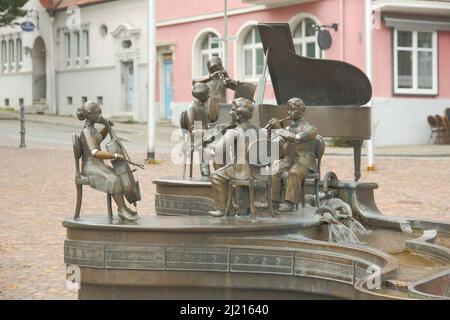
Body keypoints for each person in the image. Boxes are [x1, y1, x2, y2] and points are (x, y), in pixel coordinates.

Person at [77, 101, 138, 221]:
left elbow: (98, 139)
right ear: (89, 114)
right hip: (90, 167)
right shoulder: (86, 131)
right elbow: (95, 152)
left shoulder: (92, 130)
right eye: (98, 113)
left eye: (101, 112)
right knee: (114, 180)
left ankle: (123, 208)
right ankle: (121, 210)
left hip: (98, 165)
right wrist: (114, 155)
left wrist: (106, 127)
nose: (101, 115)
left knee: (118, 176)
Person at [207, 98, 260, 217]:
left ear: (239, 115)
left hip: (241, 170)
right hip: (259, 171)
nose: (230, 113)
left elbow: (219, 150)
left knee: (216, 176)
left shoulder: (234, 131)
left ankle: (226, 209)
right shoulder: (259, 130)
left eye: (233, 111)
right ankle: (242, 207)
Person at [267, 97, 318, 213]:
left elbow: (297, 138)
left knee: (294, 173)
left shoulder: (311, 129)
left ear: (302, 110)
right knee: (274, 169)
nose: (290, 113)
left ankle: (290, 203)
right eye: (288, 110)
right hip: (289, 159)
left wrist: (279, 129)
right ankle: (275, 201)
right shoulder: (288, 128)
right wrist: (270, 132)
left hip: (304, 161)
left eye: (293, 110)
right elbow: (277, 142)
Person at [192, 56, 237, 123]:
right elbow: (194, 82)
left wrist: (227, 77)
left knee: (222, 129)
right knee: (206, 128)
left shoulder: (223, 79)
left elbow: (237, 87)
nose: (216, 69)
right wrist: (211, 77)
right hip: (208, 108)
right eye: (213, 67)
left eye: (218, 66)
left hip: (222, 108)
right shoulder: (205, 80)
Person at [180, 82, 210, 177]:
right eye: (207, 94)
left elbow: (206, 123)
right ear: (201, 95)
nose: (209, 96)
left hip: (204, 135)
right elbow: (192, 130)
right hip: (194, 138)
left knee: (222, 142)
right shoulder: (192, 108)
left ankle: (222, 170)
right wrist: (207, 132)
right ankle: (204, 169)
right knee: (206, 145)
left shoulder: (202, 106)